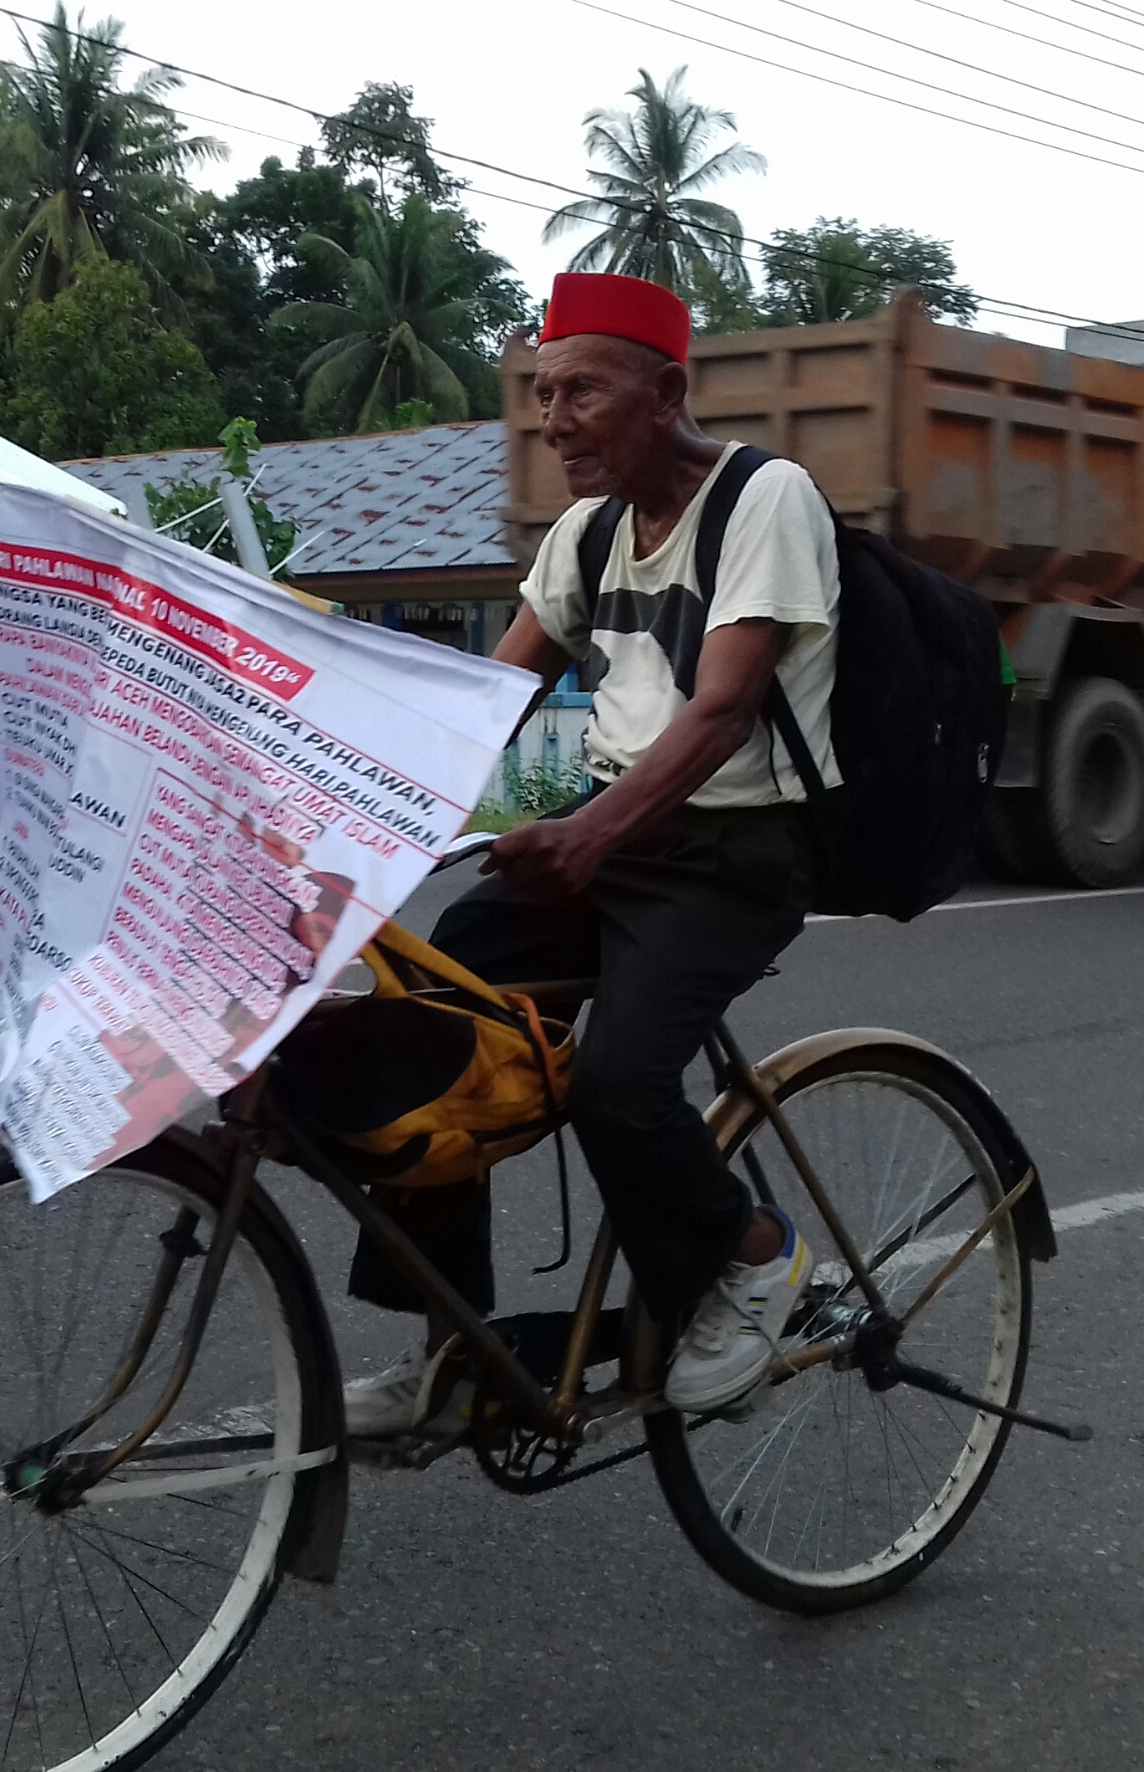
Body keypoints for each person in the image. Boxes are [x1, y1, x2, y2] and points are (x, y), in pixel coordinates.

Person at [345, 272, 843, 1431]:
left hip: (735, 850)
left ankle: (757, 1255)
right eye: (541, 391)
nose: (554, 417)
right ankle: (454, 1351)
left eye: (581, 391)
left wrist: (586, 832)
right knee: (424, 1018)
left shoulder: (766, 500)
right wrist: (345, 810)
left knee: (617, 1078)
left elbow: (722, 710)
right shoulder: (587, 530)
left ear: (666, 392)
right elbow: (491, 692)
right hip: (616, 840)